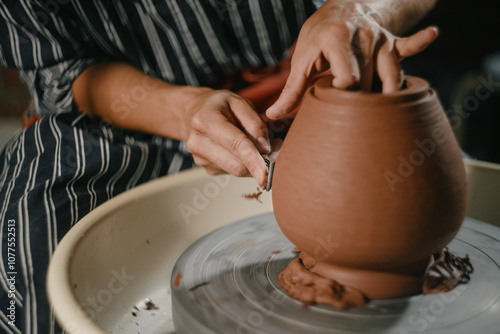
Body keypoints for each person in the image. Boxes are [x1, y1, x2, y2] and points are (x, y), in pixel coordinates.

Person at [0, 0, 437, 332]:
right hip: (133, 107)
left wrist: (364, 9)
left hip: (317, 82)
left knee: (416, 176)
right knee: (31, 223)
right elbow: (64, 70)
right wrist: (185, 109)